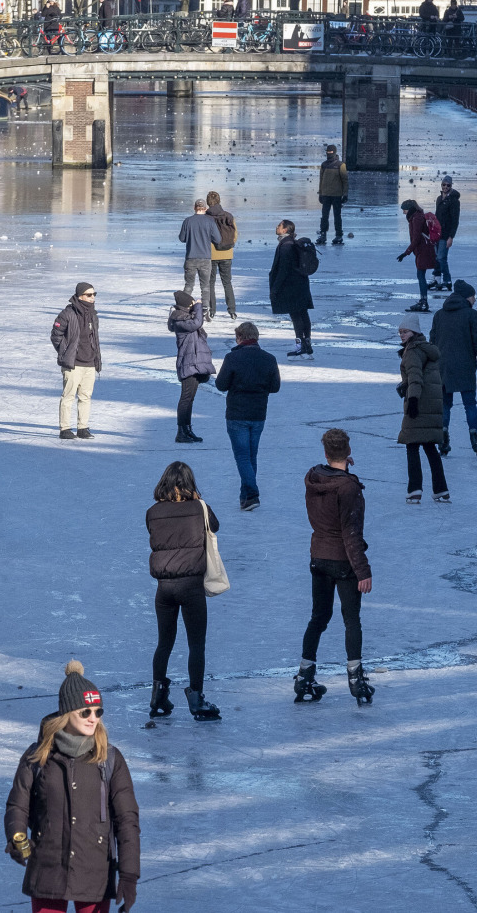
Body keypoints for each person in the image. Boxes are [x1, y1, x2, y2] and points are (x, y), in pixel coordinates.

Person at [3, 661, 140, 913]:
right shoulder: (38, 756)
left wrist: (129, 876)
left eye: (98, 712)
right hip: (48, 868)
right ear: (67, 712)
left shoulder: (109, 758)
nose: (93, 719)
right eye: (85, 712)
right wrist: (17, 836)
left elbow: (127, 819)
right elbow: (18, 804)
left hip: (94, 872)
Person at [294, 428, 374, 706]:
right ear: (347, 451)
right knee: (351, 620)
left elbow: (331, 476)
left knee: (319, 617)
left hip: (319, 557)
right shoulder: (348, 487)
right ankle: (355, 678)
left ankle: (304, 675)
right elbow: (350, 533)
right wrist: (362, 571)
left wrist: (342, 471)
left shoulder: (315, 477)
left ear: (326, 453)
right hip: (343, 561)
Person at [146, 461, 222, 720]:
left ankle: (157, 696)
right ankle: (197, 698)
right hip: (191, 587)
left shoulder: (153, 512)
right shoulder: (200, 508)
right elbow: (215, 526)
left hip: (164, 589)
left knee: (164, 643)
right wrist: (199, 503)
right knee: (196, 644)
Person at [214, 321, 280, 511]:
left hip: (237, 414)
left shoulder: (232, 358)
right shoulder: (269, 359)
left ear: (240, 337)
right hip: (258, 414)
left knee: (243, 457)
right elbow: (275, 387)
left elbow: (220, 385)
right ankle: (245, 498)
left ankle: (251, 494)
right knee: (251, 456)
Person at [429, 279, 477, 457]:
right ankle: (475, 439)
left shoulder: (439, 314)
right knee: (470, 404)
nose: (475, 300)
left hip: (443, 366)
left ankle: (443, 438)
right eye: (473, 296)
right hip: (465, 366)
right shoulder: (472, 315)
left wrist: (431, 365)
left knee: (445, 404)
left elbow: (432, 341)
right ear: (466, 297)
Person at [397, 318, 448, 504]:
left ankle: (414, 490)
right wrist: (405, 386)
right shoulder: (427, 348)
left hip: (418, 403)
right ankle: (441, 490)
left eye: (405, 331)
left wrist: (412, 400)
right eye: (400, 332)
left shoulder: (412, 351)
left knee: (411, 445)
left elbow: (416, 377)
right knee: (429, 446)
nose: (402, 335)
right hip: (431, 403)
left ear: (415, 332)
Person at [51, 282, 101, 440]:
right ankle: (65, 428)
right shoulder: (68, 313)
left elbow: (95, 339)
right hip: (73, 363)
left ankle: (83, 427)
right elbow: (55, 334)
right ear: (80, 296)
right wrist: (65, 352)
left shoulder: (93, 314)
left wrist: (96, 358)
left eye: (94, 294)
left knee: (86, 396)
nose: (92, 298)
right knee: (69, 396)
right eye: (89, 295)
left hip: (89, 362)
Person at [169, 291, 213, 443]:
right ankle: (181, 432)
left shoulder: (185, 318)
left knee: (190, 398)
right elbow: (197, 323)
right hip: (187, 363)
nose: (193, 306)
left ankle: (187, 429)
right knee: (185, 398)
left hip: (193, 363)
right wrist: (199, 306)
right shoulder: (179, 320)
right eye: (191, 304)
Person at [269, 220, 315, 358]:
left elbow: (283, 270)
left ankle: (300, 345)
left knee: (296, 315)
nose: (276, 227)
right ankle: (307, 343)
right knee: (303, 313)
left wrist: (275, 289)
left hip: (291, 286)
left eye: (279, 226)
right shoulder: (291, 243)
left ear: (285, 230)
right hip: (301, 284)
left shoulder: (286, 246)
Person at [177, 199, 221, 314]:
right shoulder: (210, 221)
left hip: (190, 258)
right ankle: (205, 308)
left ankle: (183, 307)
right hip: (205, 258)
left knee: (189, 285)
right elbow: (218, 239)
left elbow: (182, 238)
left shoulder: (187, 221)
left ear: (194, 208)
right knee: (205, 286)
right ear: (205, 209)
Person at [397, 199, 439, 311]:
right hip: (422, 250)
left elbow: (415, 239)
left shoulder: (416, 219)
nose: (403, 212)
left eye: (404, 210)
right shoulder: (416, 217)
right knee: (421, 275)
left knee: (421, 275)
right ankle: (423, 301)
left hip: (423, 250)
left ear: (410, 209)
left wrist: (406, 253)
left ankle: (424, 302)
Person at [206, 191, 237, 317]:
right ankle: (232, 310)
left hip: (211, 254)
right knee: (227, 282)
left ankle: (212, 311)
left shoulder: (206, 218)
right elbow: (235, 235)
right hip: (227, 253)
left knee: (210, 283)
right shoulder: (229, 215)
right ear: (219, 201)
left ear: (208, 202)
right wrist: (229, 245)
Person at [316, 144, 347, 245]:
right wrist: (320, 193)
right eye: (327, 152)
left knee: (337, 216)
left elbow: (345, 180)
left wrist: (345, 194)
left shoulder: (340, 165)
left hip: (337, 195)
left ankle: (338, 235)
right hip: (325, 195)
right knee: (324, 216)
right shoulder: (323, 165)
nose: (329, 154)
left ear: (334, 152)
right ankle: (323, 234)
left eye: (330, 152)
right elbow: (321, 180)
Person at [434, 176, 459, 291]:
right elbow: (436, 216)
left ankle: (447, 280)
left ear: (451, 186)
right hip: (437, 233)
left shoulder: (454, 201)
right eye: (444, 185)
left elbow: (455, 220)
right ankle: (437, 279)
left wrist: (451, 237)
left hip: (446, 233)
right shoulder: (439, 199)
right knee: (436, 257)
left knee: (441, 257)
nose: (445, 187)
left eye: (448, 185)